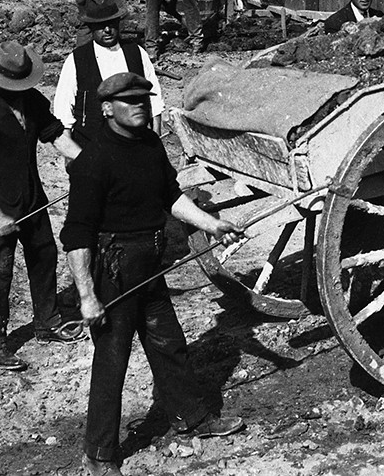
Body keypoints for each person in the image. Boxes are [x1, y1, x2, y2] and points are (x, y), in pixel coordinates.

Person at [62, 72, 245, 475]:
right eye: (129, 101)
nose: (139, 106)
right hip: (114, 268)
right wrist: (88, 296)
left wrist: (212, 225)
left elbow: (171, 197)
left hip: (149, 262)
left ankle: (191, 417)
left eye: (144, 99)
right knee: (113, 360)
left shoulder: (149, 146)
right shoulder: (93, 161)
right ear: (107, 109)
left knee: (168, 343)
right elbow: (76, 235)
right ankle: (100, 455)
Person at [0, 40, 82, 371]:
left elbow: (55, 135)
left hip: (33, 200)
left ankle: (48, 323)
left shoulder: (31, 101)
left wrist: (87, 162)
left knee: (44, 256)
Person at [52, 0, 164, 146]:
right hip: (91, 145)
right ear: (91, 27)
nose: (107, 30)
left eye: (111, 24)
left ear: (118, 23)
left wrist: (156, 139)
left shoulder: (136, 53)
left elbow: (154, 100)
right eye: (100, 25)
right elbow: (63, 109)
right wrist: (70, 153)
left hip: (133, 144)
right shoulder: (77, 59)